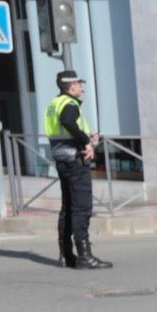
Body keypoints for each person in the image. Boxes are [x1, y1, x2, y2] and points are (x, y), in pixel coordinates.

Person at [45, 70, 110, 269]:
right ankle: (84, 256)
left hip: (62, 158)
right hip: (74, 159)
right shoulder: (69, 104)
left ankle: (66, 255)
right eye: (79, 84)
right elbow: (68, 122)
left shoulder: (53, 104)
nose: (81, 87)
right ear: (71, 86)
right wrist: (85, 142)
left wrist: (84, 135)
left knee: (67, 208)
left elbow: (63, 129)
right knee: (81, 208)